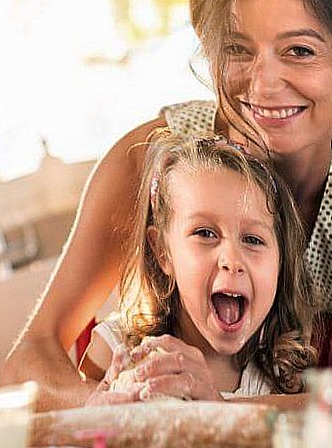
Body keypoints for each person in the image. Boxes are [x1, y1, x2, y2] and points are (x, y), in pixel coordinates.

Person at [2, 0, 332, 411]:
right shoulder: (153, 156)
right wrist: (106, 408)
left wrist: (211, 410)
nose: (264, 84)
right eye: (237, 49)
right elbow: (29, 359)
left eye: (299, 51)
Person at [83, 132, 317, 403]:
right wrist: (95, 413)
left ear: (280, 261)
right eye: (205, 233)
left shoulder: (284, 374)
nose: (232, 260)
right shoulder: (115, 348)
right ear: (163, 252)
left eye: (253, 240)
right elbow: (76, 437)